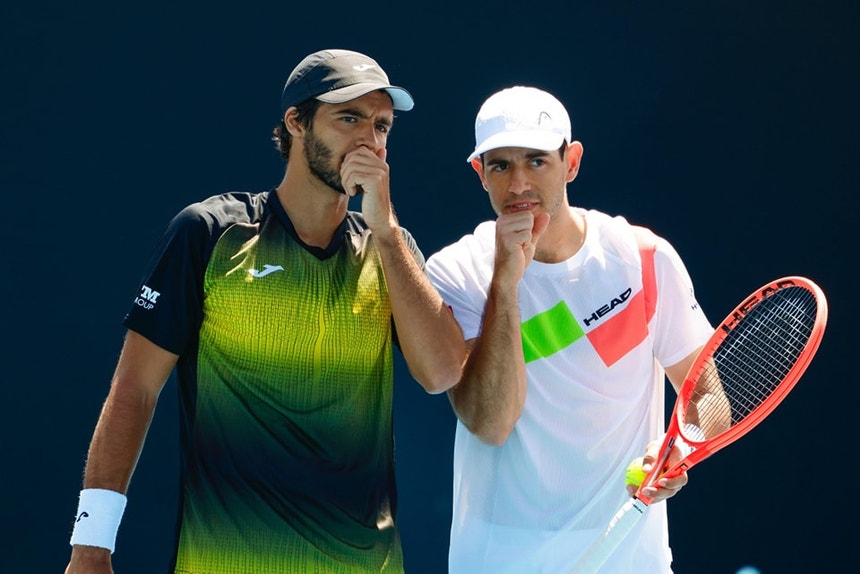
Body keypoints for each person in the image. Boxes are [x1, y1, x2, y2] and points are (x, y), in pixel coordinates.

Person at [65, 48, 465, 574]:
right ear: (295, 122)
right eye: (349, 118)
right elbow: (134, 389)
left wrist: (387, 230)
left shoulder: (390, 247)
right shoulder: (209, 233)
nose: (369, 139)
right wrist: (91, 543)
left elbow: (440, 374)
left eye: (382, 126)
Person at [425, 86, 715, 573]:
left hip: (631, 561)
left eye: (537, 161)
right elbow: (490, 423)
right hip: (500, 561)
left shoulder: (642, 258)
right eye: (500, 165)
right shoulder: (456, 273)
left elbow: (706, 392)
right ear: (480, 174)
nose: (518, 184)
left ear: (571, 162)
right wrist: (506, 280)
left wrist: (678, 449)